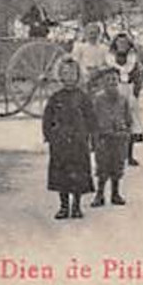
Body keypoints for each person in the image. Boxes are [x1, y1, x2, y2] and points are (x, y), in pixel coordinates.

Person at [41, 57, 95, 219]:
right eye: (65, 73)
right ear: (60, 76)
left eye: (72, 73)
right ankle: (63, 206)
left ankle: (76, 206)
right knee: (61, 174)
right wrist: (49, 136)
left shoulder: (83, 97)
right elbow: (47, 118)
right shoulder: (55, 97)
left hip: (78, 141)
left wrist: (92, 137)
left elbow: (91, 118)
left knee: (78, 173)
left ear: (78, 75)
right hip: (60, 142)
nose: (69, 77)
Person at [90, 69, 131, 207]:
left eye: (114, 80)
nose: (112, 83)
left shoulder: (123, 99)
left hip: (119, 137)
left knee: (117, 165)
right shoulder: (98, 99)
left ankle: (115, 193)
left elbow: (128, 118)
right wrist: (94, 140)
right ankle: (100, 194)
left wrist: (126, 132)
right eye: (108, 80)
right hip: (103, 138)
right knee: (102, 166)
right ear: (103, 83)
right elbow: (93, 120)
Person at [105, 31, 143, 166]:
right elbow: (107, 76)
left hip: (129, 90)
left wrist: (136, 92)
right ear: (115, 44)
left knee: (130, 122)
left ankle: (129, 155)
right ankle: (115, 155)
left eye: (125, 43)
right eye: (119, 42)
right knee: (114, 122)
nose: (122, 45)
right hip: (115, 91)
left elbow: (138, 77)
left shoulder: (133, 59)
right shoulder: (110, 59)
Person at [73, 20, 111, 89]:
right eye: (91, 33)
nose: (93, 36)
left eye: (95, 33)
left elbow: (109, 63)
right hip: (84, 76)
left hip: (100, 75)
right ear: (86, 34)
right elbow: (76, 62)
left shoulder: (104, 48)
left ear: (99, 34)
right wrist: (86, 73)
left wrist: (99, 70)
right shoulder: (80, 47)